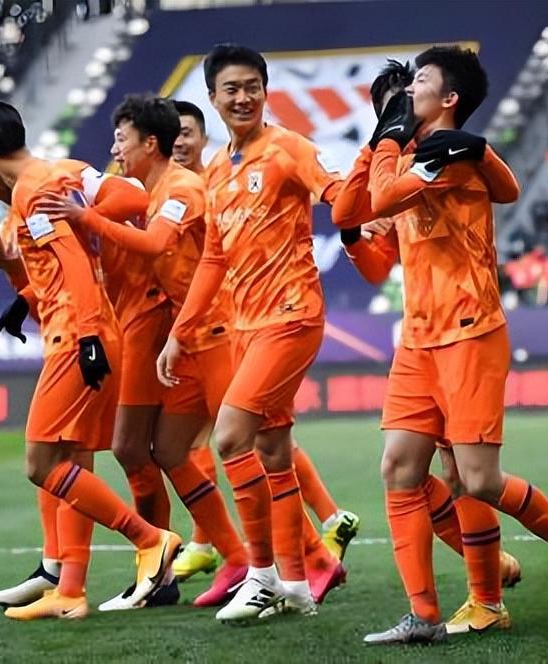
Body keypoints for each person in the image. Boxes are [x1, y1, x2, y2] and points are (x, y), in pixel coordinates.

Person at [332, 47, 548, 645]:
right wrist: (378, 140)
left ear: (449, 98)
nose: (409, 94)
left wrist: (390, 141)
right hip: (419, 339)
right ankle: (427, 615)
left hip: (468, 332)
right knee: (401, 468)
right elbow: (349, 214)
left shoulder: (448, 156)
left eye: (419, 83)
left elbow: (379, 201)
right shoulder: (410, 157)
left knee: (478, 480)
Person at [0, 100, 181, 619]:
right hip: (88, 328)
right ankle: (70, 591)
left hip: (77, 335)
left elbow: (73, 263)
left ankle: (150, 540)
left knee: (43, 464)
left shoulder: (34, 190)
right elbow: (65, 263)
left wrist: (87, 338)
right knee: (72, 458)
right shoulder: (50, 178)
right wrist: (24, 290)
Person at [38, 94, 256, 609]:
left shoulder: (170, 189)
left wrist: (84, 217)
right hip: (178, 334)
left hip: (202, 329)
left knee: (255, 447)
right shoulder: (148, 193)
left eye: (122, 139)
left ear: (149, 143)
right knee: (163, 450)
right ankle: (222, 561)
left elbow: (157, 243)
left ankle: (288, 564)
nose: (115, 148)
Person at [156, 43, 342, 621]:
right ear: (213, 99)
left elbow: (336, 191)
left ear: (266, 90)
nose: (243, 98)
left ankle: (260, 574)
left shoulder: (289, 148)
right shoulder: (215, 170)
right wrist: (180, 333)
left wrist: (369, 211)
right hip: (244, 324)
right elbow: (213, 258)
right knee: (272, 450)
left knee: (231, 437)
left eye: (252, 87)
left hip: (291, 316)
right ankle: (296, 584)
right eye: (231, 89)